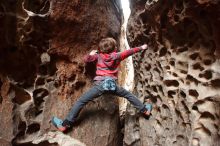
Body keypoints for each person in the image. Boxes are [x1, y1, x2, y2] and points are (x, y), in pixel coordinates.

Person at [52, 37, 152, 132]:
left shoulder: (98, 56)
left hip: (100, 85)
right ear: (115, 48)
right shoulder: (118, 55)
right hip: (113, 86)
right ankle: (144, 110)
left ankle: (66, 124)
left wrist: (91, 54)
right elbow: (130, 51)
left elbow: (86, 59)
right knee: (128, 95)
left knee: (81, 101)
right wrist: (141, 47)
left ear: (101, 50)